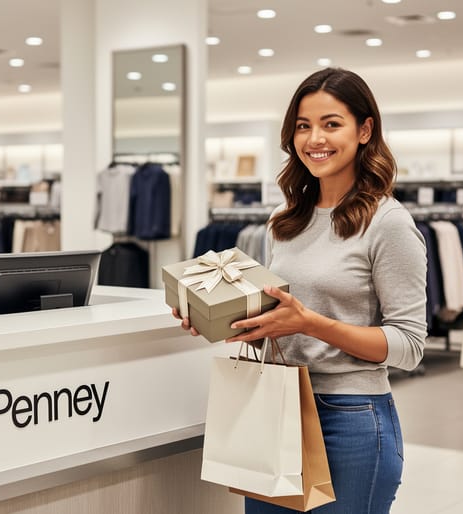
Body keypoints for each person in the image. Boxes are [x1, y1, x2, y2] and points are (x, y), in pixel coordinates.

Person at [175, 68, 427, 513]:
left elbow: (408, 346)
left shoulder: (389, 224)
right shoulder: (286, 219)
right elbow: (282, 316)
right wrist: (223, 317)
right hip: (279, 407)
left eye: (332, 124)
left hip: (351, 417)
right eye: (303, 126)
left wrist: (310, 322)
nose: (315, 139)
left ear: (365, 130)